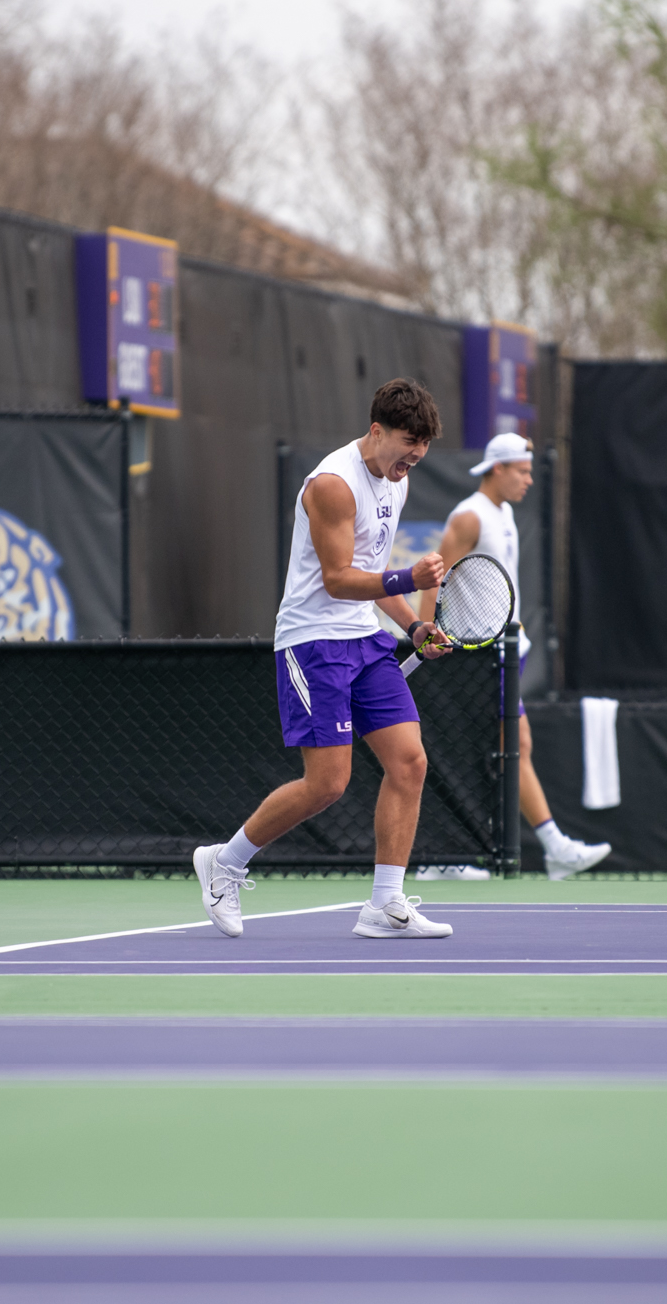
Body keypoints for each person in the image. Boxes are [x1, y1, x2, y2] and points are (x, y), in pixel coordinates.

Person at [192, 379, 456, 939]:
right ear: (377, 430)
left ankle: (384, 906)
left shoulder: (395, 482)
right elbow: (338, 580)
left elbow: (371, 576)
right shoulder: (333, 484)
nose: (416, 455)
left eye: (425, 445)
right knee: (329, 783)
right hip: (313, 643)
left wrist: (412, 624)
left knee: (409, 763)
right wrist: (409, 576)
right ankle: (226, 862)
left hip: (366, 640)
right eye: (409, 441)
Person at [419, 432, 613, 881]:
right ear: (498, 468)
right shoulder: (469, 517)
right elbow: (433, 578)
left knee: (509, 748)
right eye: (522, 471)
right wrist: (425, 636)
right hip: (477, 659)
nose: (528, 480)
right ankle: (453, 853)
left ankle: (541, 848)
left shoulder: (503, 513)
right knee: (502, 747)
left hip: (505, 653)